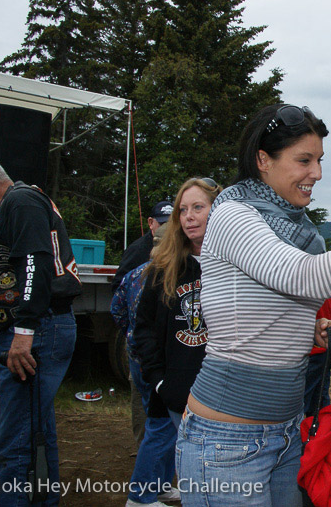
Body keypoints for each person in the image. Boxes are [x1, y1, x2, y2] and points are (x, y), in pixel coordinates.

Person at [176, 103, 331, 506]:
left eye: (320, 160)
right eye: (304, 160)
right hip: (227, 443)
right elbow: (305, 276)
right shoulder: (233, 216)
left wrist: (307, 328)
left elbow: (261, 305)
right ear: (263, 160)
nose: (318, 174)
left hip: (287, 432)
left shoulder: (300, 230)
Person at [0, 157, 81, 506]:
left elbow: (36, 263)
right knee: (36, 431)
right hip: (39, 327)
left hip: (38, 330)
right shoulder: (8, 207)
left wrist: (24, 331)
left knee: (16, 440)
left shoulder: (19, 201)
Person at [126, 177, 221, 507]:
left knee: (215, 476)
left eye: (198, 207)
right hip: (175, 393)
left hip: (222, 393)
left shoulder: (235, 268)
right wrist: (159, 381)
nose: (189, 216)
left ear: (219, 211)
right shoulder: (163, 268)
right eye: (183, 210)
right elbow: (143, 330)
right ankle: (139, 499)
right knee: (190, 468)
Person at [113, 201, 172, 445]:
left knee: (148, 407)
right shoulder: (152, 268)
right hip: (150, 354)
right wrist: (135, 333)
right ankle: (149, 456)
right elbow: (119, 306)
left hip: (140, 352)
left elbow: (117, 309)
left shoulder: (138, 273)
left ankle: (147, 454)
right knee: (156, 415)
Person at [113, 201, 173, 292]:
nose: (167, 228)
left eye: (171, 224)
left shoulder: (183, 248)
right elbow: (118, 285)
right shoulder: (137, 249)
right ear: (151, 223)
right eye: (162, 223)